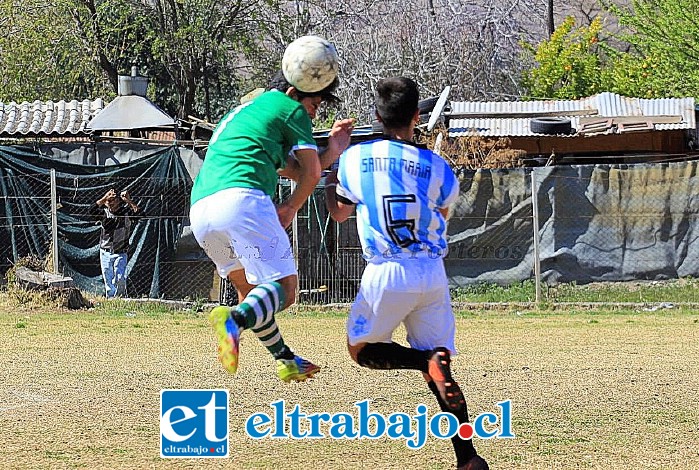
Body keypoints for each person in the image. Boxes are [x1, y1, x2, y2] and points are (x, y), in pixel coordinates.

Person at [324, 77, 489, 470]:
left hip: (388, 269)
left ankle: (422, 361)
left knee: (361, 350)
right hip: (431, 272)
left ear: (377, 116)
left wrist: (331, 173)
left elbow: (339, 212)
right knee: (441, 369)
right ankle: (467, 458)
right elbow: (443, 214)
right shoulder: (437, 166)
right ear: (417, 116)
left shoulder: (355, 159)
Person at [189, 68, 354, 383]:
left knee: (250, 291)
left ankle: (286, 359)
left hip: (201, 211)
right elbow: (312, 174)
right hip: (241, 200)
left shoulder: (242, 117)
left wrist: (332, 150)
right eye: (314, 105)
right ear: (295, 92)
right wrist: (291, 207)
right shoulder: (289, 106)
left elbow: (296, 170)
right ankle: (234, 320)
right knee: (286, 290)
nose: (312, 113)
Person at [94, 188, 141, 298]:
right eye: (108, 201)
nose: (110, 203)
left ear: (119, 201)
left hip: (120, 251)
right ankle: (111, 300)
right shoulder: (104, 213)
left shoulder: (126, 213)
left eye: (113, 200)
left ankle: (120, 298)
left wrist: (129, 201)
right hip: (105, 251)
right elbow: (91, 210)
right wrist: (104, 198)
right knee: (107, 278)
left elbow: (140, 214)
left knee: (119, 277)